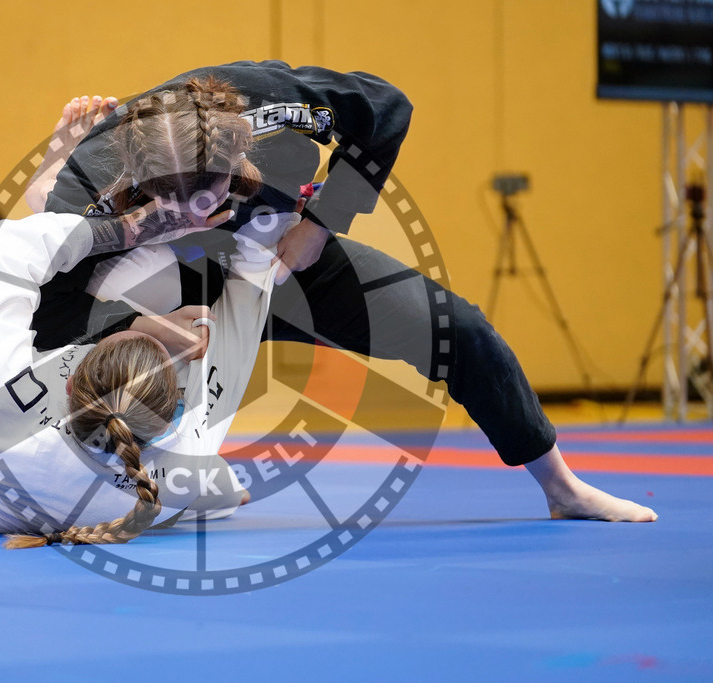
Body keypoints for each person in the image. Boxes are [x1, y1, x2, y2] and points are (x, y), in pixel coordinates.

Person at [33, 63, 657, 523]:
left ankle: (562, 487)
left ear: (239, 151)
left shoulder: (274, 105)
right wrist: (132, 332)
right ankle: (180, 468)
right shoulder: (98, 170)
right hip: (164, 281)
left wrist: (322, 221)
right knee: (110, 360)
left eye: (215, 193)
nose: (204, 210)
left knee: (456, 329)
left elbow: (385, 107)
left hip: (284, 258)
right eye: (181, 202)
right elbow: (47, 296)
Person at [0, 164, 294, 546]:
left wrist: (134, 227)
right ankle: (225, 492)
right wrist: (261, 245)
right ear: (177, 414)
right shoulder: (187, 462)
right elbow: (237, 341)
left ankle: (52, 206)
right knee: (207, 484)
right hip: (68, 487)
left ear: (70, 377)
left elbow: (2, 248)